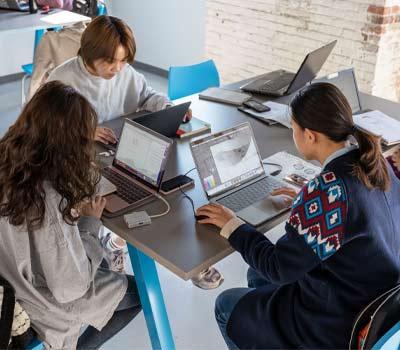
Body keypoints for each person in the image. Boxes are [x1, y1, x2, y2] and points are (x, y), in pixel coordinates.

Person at [196, 82, 400, 349]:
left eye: (293, 128)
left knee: (227, 305)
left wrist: (232, 225)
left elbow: (278, 268)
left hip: (336, 324)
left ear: (310, 135)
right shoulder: (375, 163)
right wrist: (309, 204)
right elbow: (356, 212)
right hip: (374, 304)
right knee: (255, 275)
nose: (293, 134)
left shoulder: (328, 191)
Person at [47, 15, 222, 290]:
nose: (117, 68)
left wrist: (166, 106)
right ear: (89, 52)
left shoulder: (124, 73)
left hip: (124, 150)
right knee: (118, 200)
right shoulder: (62, 79)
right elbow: (40, 126)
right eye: (110, 61)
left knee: (166, 190)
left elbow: (148, 96)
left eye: (123, 60)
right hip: (79, 159)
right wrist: (83, 130)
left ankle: (186, 255)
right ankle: (117, 243)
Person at [0, 81, 142, 349]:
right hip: (34, 301)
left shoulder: (8, 154)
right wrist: (89, 221)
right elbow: (70, 288)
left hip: (7, 281)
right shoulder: (47, 196)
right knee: (141, 293)